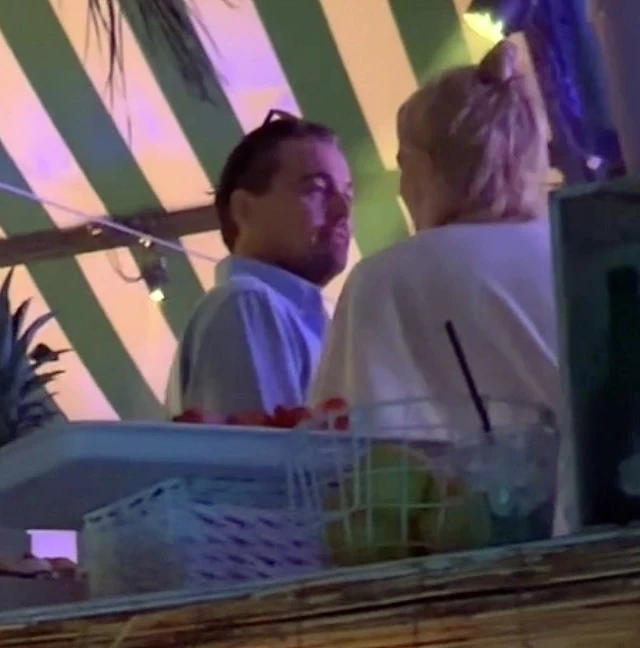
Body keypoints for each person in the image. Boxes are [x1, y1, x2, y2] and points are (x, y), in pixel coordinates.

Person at [309, 41, 576, 535]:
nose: (400, 189)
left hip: (473, 552)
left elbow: (348, 457)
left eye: (402, 165)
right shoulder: (578, 250)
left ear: (425, 167)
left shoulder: (387, 278)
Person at [165, 114, 353, 418]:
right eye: (316, 189)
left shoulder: (276, 313)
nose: (342, 210)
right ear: (243, 209)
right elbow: (260, 448)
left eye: (348, 194)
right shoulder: (247, 304)